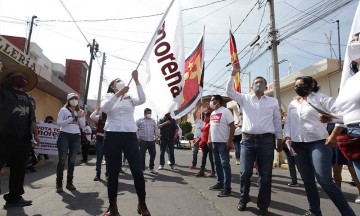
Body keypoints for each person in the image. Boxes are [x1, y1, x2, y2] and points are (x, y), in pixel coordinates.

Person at [283, 76, 355, 216]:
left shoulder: (321, 99)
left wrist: (332, 131)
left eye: (301, 85)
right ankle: (314, 211)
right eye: (296, 85)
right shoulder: (293, 103)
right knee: (307, 180)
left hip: (318, 143)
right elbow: (289, 123)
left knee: (325, 180)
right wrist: (287, 137)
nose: (298, 88)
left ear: (311, 86)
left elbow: (343, 115)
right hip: (298, 145)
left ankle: (348, 213)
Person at [226, 64, 283, 216]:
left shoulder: (272, 102)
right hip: (248, 141)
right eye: (256, 82)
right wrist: (233, 73)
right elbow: (229, 91)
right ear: (251, 86)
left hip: (266, 141)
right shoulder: (244, 99)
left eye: (262, 82)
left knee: (265, 175)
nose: (259, 84)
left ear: (265, 86)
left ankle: (263, 205)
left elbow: (277, 121)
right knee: (245, 173)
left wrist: (279, 138)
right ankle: (243, 199)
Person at [101, 71, 150, 216]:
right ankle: (113, 206)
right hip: (112, 135)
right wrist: (119, 93)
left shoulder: (130, 98)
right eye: (117, 80)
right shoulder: (109, 96)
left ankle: (142, 204)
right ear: (112, 86)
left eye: (121, 79)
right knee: (113, 172)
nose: (121, 80)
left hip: (129, 136)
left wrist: (136, 80)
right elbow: (105, 108)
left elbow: (142, 99)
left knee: (137, 171)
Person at [0, 63, 39, 207]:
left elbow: (32, 118)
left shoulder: (28, 98)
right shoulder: (3, 91)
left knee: (19, 168)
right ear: (9, 79)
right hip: (3, 136)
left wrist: (36, 134)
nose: (21, 79)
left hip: (23, 138)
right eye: (18, 77)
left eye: (23, 77)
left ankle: (14, 197)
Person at [56, 92, 86, 193]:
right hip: (64, 134)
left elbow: (82, 126)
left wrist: (81, 117)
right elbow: (59, 123)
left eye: (76, 98)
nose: (74, 100)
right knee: (62, 159)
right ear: (68, 100)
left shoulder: (79, 111)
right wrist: (69, 119)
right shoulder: (64, 110)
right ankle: (59, 184)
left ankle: (69, 183)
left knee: (72, 160)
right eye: (72, 98)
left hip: (75, 136)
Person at [207, 95, 235, 197]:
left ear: (217, 101)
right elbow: (211, 127)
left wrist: (230, 141)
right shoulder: (213, 113)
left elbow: (232, 126)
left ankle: (227, 188)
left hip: (223, 142)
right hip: (214, 142)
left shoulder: (226, 111)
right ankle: (220, 183)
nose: (210, 102)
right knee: (217, 163)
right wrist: (209, 138)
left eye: (211, 100)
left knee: (225, 164)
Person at [327, 123, 360, 204]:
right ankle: (338, 192)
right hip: (335, 145)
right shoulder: (328, 115)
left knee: (353, 171)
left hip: (349, 143)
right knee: (336, 170)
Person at [136, 108, 159, 173]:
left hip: (151, 140)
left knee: (153, 154)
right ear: (144, 113)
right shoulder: (140, 120)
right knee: (142, 155)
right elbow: (135, 129)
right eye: (148, 113)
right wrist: (137, 136)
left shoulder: (153, 121)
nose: (149, 114)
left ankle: (151, 167)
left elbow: (156, 129)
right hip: (142, 140)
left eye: (150, 113)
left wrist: (156, 137)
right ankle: (142, 169)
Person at [90, 107, 109, 181]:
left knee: (108, 158)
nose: (101, 111)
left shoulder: (110, 118)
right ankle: (98, 174)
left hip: (108, 141)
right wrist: (97, 110)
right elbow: (91, 116)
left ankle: (107, 174)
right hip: (99, 141)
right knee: (99, 158)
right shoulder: (99, 118)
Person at [196, 111, 215, 177]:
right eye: (204, 116)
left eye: (206, 116)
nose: (204, 117)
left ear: (209, 117)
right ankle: (202, 171)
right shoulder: (205, 123)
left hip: (209, 142)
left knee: (211, 157)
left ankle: (213, 171)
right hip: (204, 142)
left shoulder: (211, 123)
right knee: (204, 157)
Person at [281, 112, 298, 187]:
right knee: (291, 164)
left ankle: (307, 180)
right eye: (283, 118)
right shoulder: (281, 126)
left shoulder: (293, 126)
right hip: (285, 147)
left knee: (299, 164)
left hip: (294, 146)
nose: (284, 120)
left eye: (285, 118)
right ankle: (294, 181)